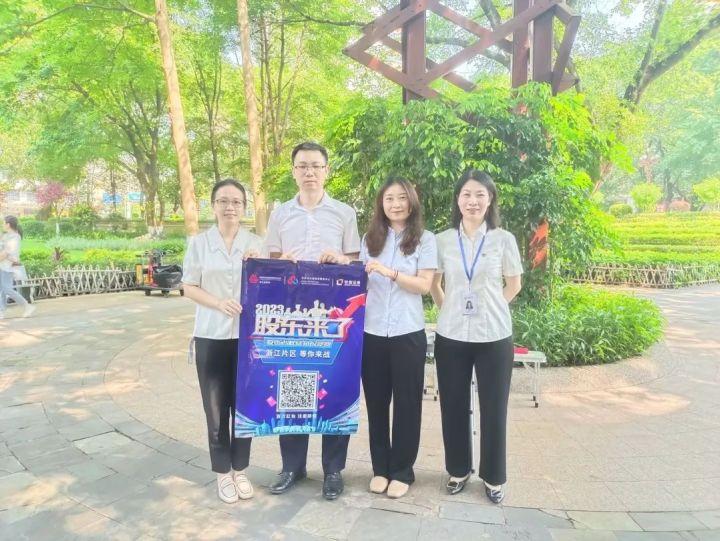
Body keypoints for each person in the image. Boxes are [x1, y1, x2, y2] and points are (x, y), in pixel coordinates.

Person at [264, 141, 361, 500]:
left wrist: (340, 259)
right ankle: (292, 466)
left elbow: (355, 261)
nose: (309, 172)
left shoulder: (344, 213)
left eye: (316, 166)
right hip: (293, 314)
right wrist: (281, 262)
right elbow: (270, 260)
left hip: (333, 314)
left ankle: (333, 470)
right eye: (302, 166)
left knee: (336, 384)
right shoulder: (280, 214)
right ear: (293, 171)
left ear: (326, 170)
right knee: (293, 384)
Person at [429, 170, 523, 504]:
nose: (473, 201)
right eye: (466, 194)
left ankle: (494, 477)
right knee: (453, 404)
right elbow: (434, 283)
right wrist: (449, 309)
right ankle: (457, 470)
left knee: (494, 408)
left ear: (490, 199)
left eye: (480, 194)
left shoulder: (503, 239)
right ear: (458, 200)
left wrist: (492, 307)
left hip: (494, 335)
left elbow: (514, 284)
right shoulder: (442, 240)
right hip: (451, 334)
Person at [182, 179, 263, 503]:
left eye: (236, 202)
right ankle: (222, 473)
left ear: (244, 207)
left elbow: (274, 283)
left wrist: (259, 265)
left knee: (244, 408)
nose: (230, 207)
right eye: (223, 201)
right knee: (216, 410)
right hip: (211, 336)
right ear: (213, 205)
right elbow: (188, 286)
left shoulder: (256, 243)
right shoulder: (199, 243)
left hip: (247, 338)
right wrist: (218, 303)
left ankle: (240, 470)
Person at [360, 178, 437, 499]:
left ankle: (403, 471)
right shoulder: (370, 239)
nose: (395, 204)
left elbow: (424, 286)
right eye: (389, 198)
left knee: (407, 404)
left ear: (412, 202)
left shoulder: (425, 239)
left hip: (407, 332)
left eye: (402, 198)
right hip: (372, 332)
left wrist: (390, 272)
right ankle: (380, 469)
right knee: (376, 404)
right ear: (381, 203)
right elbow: (359, 280)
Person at [0, 216, 35, 319]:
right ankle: (1, 311)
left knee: (7, 288)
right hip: (3, 265)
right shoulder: (6, 236)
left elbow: (6, 253)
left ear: (8, 224)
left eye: (3, 223)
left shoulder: (15, 237)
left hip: (8, 266)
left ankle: (27, 306)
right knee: (1, 289)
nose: (2, 225)